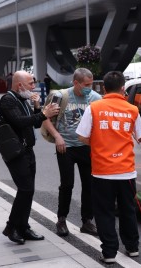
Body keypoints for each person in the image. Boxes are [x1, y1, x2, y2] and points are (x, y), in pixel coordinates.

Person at [76, 71, 141, 264]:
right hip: (126, 171)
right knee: (128, 210)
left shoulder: (95, 108)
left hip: (102, 172)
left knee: (104, 212)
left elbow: (81, 136)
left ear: (104, 88)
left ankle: (109, 253)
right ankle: (132, 248)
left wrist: (100, 142)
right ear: (123, 88)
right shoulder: (132, 110)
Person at [0, 71, 60, 244]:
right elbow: (19, 122)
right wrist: (43, 113)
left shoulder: (24, 99)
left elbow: (37, 123)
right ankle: (11, 227)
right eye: (31, 83)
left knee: (29, 190)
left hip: (27, 151)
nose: (34, 86)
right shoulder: (8, 100)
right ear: (20, 85)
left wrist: (38, 107)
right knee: (25, 189)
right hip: (15, 153)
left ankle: (23, 227)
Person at [42, 68, 101, 237]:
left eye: (91, 84)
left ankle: (87, 221)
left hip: (87, 148)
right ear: (76, 83)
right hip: (65, 147)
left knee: (89, 185)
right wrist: (57, 136)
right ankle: (61, 219)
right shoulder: (60, 96)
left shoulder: (96, 99)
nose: (90, 88)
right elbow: (44, 117)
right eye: (86, 84)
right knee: (67, 184)